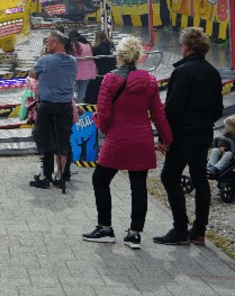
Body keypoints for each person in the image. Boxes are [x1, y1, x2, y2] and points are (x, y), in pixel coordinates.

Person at [82, 36, 173, 249]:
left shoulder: (110, 80)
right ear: (138, 57)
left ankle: (105, 228)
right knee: (138, 185)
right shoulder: (149, 81)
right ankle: (134, 233)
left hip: (117, 139)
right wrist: (166, 139)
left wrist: (100, 124)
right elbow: (158, 114)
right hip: (142, 140)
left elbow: (104, 116)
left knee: (101, 180)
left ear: (120, 56)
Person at [155, 27, 224, 245]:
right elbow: (218, 109)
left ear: (186, 47)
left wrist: (164, 136)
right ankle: (199, 231)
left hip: (182, 134)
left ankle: (180, 228)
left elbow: (173, 108)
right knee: (200, 179)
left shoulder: (182, 72)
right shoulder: (212, 72)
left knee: (169, 177)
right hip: (203, 133)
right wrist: (204, 121)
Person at [28, 30, 77, 191]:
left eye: (48, 43)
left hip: (47, 105)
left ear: (56, 43)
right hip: (65, 106)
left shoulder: (45, 60)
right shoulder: (72, 61)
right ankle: (61, 176)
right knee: (63, 141)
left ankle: (46, 175)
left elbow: (32, 75)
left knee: (43, 138)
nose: (46, 45)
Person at [84, 30, 116, 105]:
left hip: (101, 71)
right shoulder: (110, 45)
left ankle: (91, 103)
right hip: (111, 69)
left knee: (93, 89)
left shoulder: (98, 47)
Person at [68, 30, 97, 103]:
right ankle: (80, 105)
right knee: (82, 90)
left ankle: (72, 105)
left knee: (70, 88)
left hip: (77, 70)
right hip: (89, 70)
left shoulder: (74, 45)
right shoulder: (88, 45)